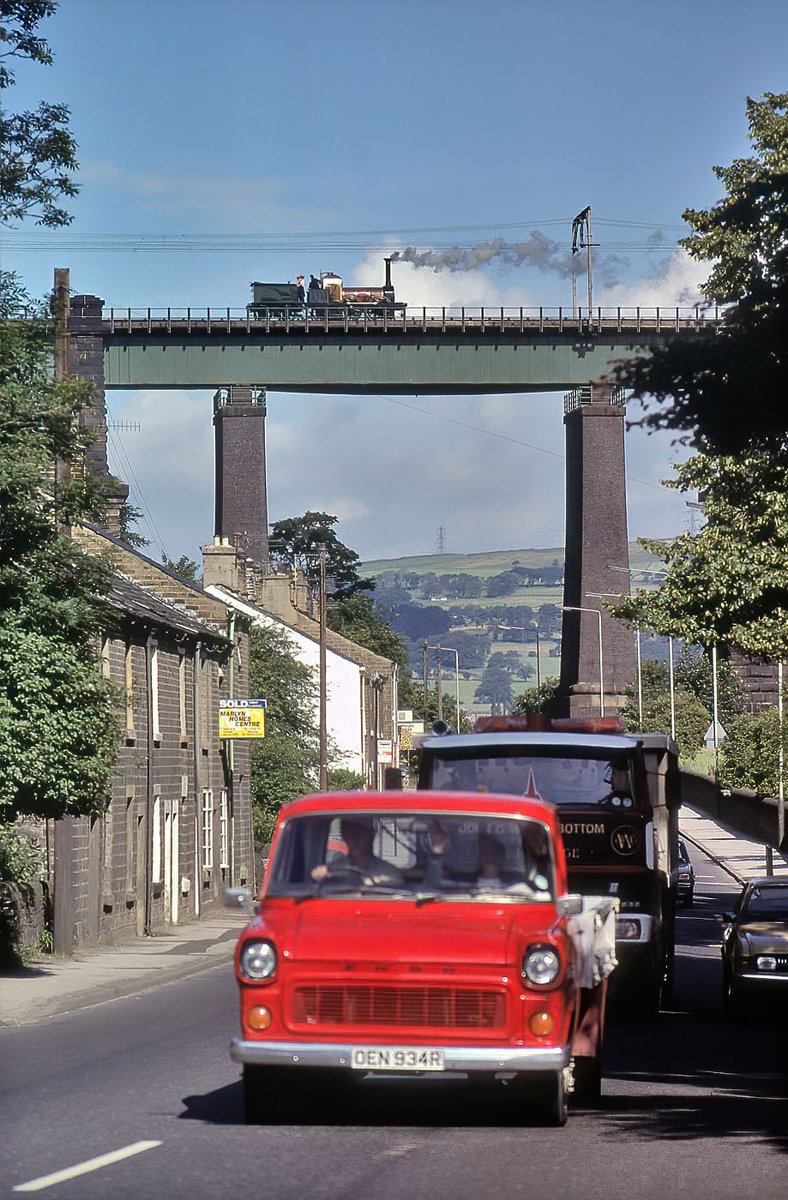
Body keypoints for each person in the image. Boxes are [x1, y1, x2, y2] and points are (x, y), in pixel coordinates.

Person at [311, 816, 403, 885]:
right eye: (350, 834)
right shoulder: (333, 870)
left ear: (370, 836)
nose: (355, 840)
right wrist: (319, 875)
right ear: (344, 836)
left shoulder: (389, 873)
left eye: (360, 834)